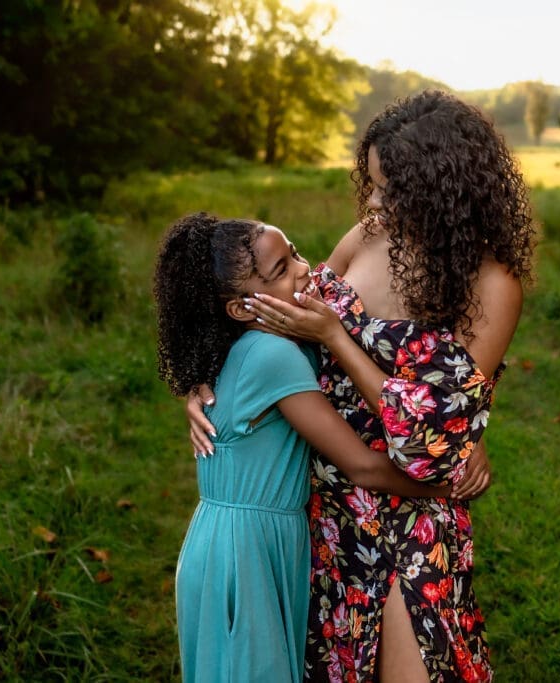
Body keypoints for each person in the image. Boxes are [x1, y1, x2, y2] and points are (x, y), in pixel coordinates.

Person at [189, 90, 536, 682]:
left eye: (388, 188)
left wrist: (341, 340)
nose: (373, 201)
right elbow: (279, 318)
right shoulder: (366, 238)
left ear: (440, 189)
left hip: (413, 503)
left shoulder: (493, 285)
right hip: (325, 499)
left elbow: (434, 431)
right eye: (371, 183)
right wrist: (204, 381)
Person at [154, 212, 459, 683]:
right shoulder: (273, 355)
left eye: (294, 252)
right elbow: (360, 466)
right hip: (248, 548)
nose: (303, 269)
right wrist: (449, 487)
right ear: (241, 308)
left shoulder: (245, 343)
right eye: (281, 270)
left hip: (223, 537)